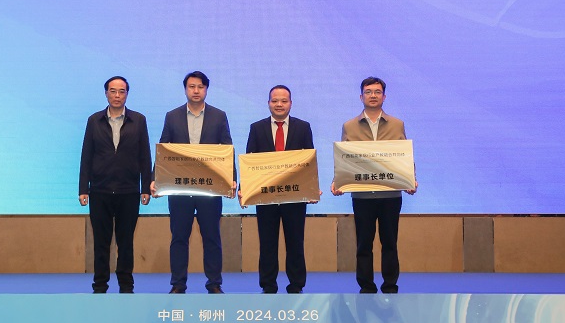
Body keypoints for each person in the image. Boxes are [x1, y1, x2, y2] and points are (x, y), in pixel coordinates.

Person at [331, 76, 417, 294]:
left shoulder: (397, 124)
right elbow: (344, 159)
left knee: (390, 243)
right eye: (368, 92)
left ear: (384, 97)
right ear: (361, 96)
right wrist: (337, 181)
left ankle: (390, 286)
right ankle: (366, 286)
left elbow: (405, 157)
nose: (373, 96)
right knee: (363, 244)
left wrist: (411, 178)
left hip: (390, 195)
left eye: (377, 92)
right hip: (363, 196)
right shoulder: (349, 126)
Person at [153, 71, 235, 294]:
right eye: (191, 87)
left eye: (200, 87)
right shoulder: (172, 116)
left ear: (206, 89)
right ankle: (178, 284)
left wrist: (231, 179)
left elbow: (227, 149)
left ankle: (214, 283)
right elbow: (164, 150)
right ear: (185, 89)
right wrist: (155, 179)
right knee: (179, 237)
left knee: (212, 237)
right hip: (180, 189)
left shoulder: (219, 116)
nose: (196, 91)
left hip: (210, 188)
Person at [78, 76, 152, 294]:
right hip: (99, 190)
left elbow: (144, 156)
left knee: (125, 242)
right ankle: (100, 285)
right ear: (106, 93)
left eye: (121, 91)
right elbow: (86, 156)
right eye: (113, 91)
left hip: (128, 191)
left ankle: (126, 285)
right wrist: (83, 189)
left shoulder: (139, 120)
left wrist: (145, 187)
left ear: (127, 94)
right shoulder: (94, 121)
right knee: (101, 242)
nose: (117, 95)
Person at [242, 85, 316, 294]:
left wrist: (311, 188)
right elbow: (250, 161)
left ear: (290, 103)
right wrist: (245, 189)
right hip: (266, 197)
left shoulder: (303, 127)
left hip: (294, 197)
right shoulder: (257, 128)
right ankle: (268, 285)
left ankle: (296, 285)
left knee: (295, 242)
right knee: (267, 243)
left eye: (284, 101)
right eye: (275, 101)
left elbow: (309, 161)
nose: (279, 104)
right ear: (268, 104)